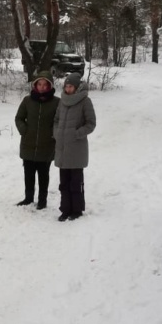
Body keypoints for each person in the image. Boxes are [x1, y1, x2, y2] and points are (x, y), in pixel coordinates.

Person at [53, 72, 96, 221]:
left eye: (70, 86)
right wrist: (57, 132)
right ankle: (65, 209)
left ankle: (76, 210)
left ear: (76, 88)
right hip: (62, 149)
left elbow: (91, 124)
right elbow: (56, 120)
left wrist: (76, 134)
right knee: (63, 183)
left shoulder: (85, 101)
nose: (67, 88)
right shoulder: (62, 101)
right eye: (66, 86)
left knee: (75, 183)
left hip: (77, 150)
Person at [14, 70, 60, 209]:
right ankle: (28, 198)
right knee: (28, 174)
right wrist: (24, 130)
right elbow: (19, 118)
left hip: (47, 145)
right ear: (35, 85)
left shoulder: (57, 102)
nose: (42, 87)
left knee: (43, 175)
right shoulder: (27, 101)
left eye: (45, 85)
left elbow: (59, 121)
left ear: (50, 86)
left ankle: (42, 200)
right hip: (28, 144)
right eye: (39, 84)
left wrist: (54, 133)